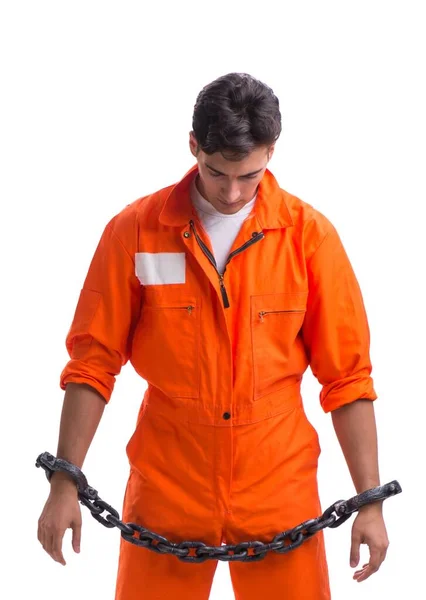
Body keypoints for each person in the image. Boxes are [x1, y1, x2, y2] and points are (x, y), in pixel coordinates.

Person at [37, 72, 389, 599]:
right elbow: (93, 362)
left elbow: (347, 378)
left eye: (249, 176)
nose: (231, 192)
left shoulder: (309, 238)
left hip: (278, 485)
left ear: (272, 151)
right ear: (193, 145)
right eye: (216, 172)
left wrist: (370, 499)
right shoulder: (135, 231)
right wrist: (65, 479)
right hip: (167, 486)